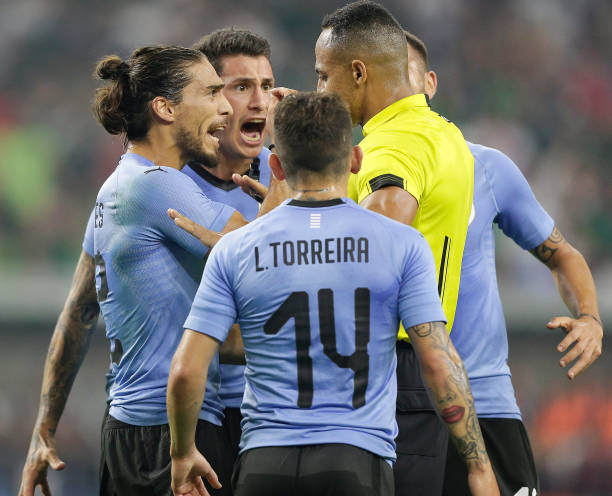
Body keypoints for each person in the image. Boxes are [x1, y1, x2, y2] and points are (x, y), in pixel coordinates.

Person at [166, 91, 499, 496]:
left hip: (264, 462)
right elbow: (438, 361)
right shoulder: (401, 244)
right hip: (356, 459)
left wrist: (182, 453)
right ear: (355, 160)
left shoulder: (235, 248)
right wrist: (479, 467)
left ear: (275, 165)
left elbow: (185, 370)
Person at [404, 31, 604, 496]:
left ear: (429, 83)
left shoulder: (486, 167)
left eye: (404, 73)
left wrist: (590, 317)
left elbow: (562, 255)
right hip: (391, 411)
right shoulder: (347, 173)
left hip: (486, 402)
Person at [314, 2, 474, 494]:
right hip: (422, 372)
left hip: (382, 371)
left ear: (358, 73)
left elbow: (374, 245)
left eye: (323, 76)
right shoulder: (445, 135)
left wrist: (293, 219)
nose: (319, 88)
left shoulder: (390, 147)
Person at [188, 28, 275, 463]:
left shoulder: (295, 182)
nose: (260, 101)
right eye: (242, 87)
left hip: (274, 417)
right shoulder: (167, 188)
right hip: (194, 416)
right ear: (212, 100)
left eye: (266, 86)